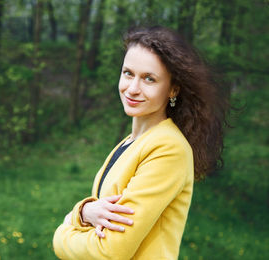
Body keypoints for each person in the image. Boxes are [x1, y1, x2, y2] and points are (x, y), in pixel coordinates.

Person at [53, 26, 227, 260]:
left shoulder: (168, 148)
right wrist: (83, 213)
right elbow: (98, 222)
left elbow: (109, 251)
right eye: (128, 73)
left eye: (149, 78)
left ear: (173, 89)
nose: (133, 89)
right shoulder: (130, 143)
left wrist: (62, 233)